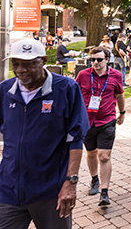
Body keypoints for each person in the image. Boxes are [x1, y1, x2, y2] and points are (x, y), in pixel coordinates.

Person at [0, 39, 89, 228]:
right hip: (9, 190)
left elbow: (75, 138)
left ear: (43, 60)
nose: (20, 70)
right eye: (16, 63)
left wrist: (70, 182)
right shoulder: (5, 90)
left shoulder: (66, 88)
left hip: (51, 191)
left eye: (28, 64)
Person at [75, 47, 125, 207]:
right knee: (91, 153)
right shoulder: (83, 75)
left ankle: (104, 192)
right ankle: (94, 179)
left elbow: (119, 95)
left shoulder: (115, 75)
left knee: (104, 156)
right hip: (87, 121)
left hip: (107, 121)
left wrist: (122, 112)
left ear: (107, 60)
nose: (95, 62)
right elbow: (75, 96)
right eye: (92, 60)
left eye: (99, 59)